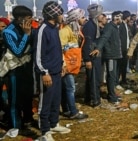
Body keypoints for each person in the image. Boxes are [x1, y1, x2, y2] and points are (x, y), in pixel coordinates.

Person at [33, 1, 71, 140]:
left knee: (55, 100)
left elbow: (57, 49)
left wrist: (62, 64)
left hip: (57, 71)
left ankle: (54, 123)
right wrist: (44, 72)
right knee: (45, 102)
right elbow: (38, 55)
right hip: (47, 74)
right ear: (53, 14)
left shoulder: (54, 28)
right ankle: (45, 131)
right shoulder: (42, 30)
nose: (62, 15)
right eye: (60, 13)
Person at [1, 6, 35, 130]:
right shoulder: (8, 32)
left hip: (27, 68)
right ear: (20, 19)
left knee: (28, 95)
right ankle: (15, 125)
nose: (31, 20)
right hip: (14, 71)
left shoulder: (29, 27)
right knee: (15, 99)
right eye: (29, 18)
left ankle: (28, 120)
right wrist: (26, 35)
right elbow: (18, 51)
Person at [59, 8, 88, 119]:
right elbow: (60, 48)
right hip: (66, 65)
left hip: (71, 63)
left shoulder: (75, 30)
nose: (84, 19)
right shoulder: (65, 31)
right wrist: (64, 65)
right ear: (75, 19)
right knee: (70, 88)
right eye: (82, 17)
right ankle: (73, 112)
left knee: (66, 88)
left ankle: (67, 109)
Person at [90, 11, 123, 104]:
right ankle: (112, 97)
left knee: (112, 75)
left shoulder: (114, 27)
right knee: (111, 76)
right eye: (121, 17)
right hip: (110, 56)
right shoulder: (110, 27)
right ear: (117, 18)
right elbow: (104, 38)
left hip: (114, 55)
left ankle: (112, 94)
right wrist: (98, 48)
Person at [82, 4, 104, 107]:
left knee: (92, 78)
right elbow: (87, 43)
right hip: (92, 57)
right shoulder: (90, 26)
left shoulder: (94, 25)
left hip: (94, 56)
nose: (102, 16)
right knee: (94, 79)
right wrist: (87, 59)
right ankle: (95, 100)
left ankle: (88, 98)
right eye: (100, 14)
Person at [118, 10, 131, 87]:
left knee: (124, 66)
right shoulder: (121, 25)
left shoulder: (126, 25)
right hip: (122, 49)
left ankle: (124, 80)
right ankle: (120, 81)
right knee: (121, 66)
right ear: (127, 17)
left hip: (125, 48)